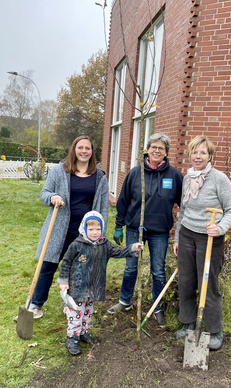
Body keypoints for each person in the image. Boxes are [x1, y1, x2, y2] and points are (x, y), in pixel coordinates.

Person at [29, 136, 109, 319]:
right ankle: (36, 304)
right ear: (74, 150)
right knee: (47, 266)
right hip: (59, 229)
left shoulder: (100, 176)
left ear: (92, 152)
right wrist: (52, 197)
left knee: (81, 270)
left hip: (84, 233)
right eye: (80, 147)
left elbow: (103, 207)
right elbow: (44, 193)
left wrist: (99, 234)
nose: (83, 151)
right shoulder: (59, 171)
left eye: (87, 148)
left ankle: (76, 304)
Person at [107, 133, 183, 326]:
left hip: (160, 231)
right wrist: (119, 226)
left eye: (161, 148)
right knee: (131, 266)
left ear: (166, 152)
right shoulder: (135, 173)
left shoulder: (174, 175)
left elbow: (185, 204)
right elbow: (123, 201)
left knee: (158, 270)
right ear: (147, 149)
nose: (157, 151)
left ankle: (158, 307)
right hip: (135, 228)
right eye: (154, 147)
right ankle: (124, 301)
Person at [173, 135, 231, 350]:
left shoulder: (220, 179)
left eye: (202, 152)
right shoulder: (188, 178)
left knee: (208, 286)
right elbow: (184, 211)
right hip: (187, 235)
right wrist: (177, 237)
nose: (197, 156)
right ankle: (189, 323)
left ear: (210, 156)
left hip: (210, 239)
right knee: (186, 282)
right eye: (194, 152)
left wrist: (220, 228)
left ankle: (215, 330)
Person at [57, 210, 143, 356]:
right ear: (84, 228)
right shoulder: (76, 245)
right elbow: (65, 263)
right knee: (76, 313)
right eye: (91, 229)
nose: (95, 232)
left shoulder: (104, 244)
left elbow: (118, 251)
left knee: (88, 312)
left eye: (98, 229)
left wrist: (133, 248)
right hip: (78, 288)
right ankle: (72, 338)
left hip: (94, 287)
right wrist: (63, 281)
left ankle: (84, 332)